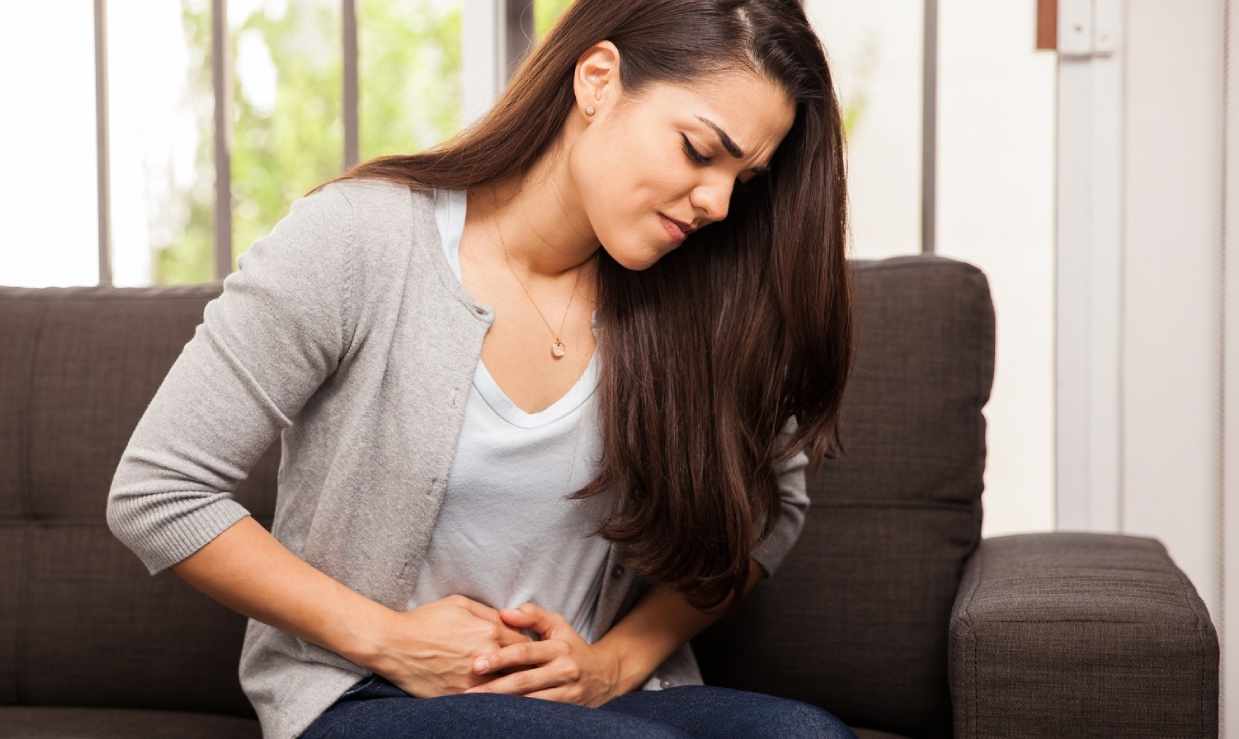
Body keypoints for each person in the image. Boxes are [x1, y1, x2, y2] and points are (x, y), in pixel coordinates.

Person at [105, 0, 855, 736]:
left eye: (744, 179)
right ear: (597, 79)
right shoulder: (363, 239)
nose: (718, 203)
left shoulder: (695, 295)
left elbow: (769, 510)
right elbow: (158, 489)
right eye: (698, 151)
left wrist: (615, 661)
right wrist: (387, 639)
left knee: (805, 732)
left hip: (589, 704)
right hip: (367, 695)